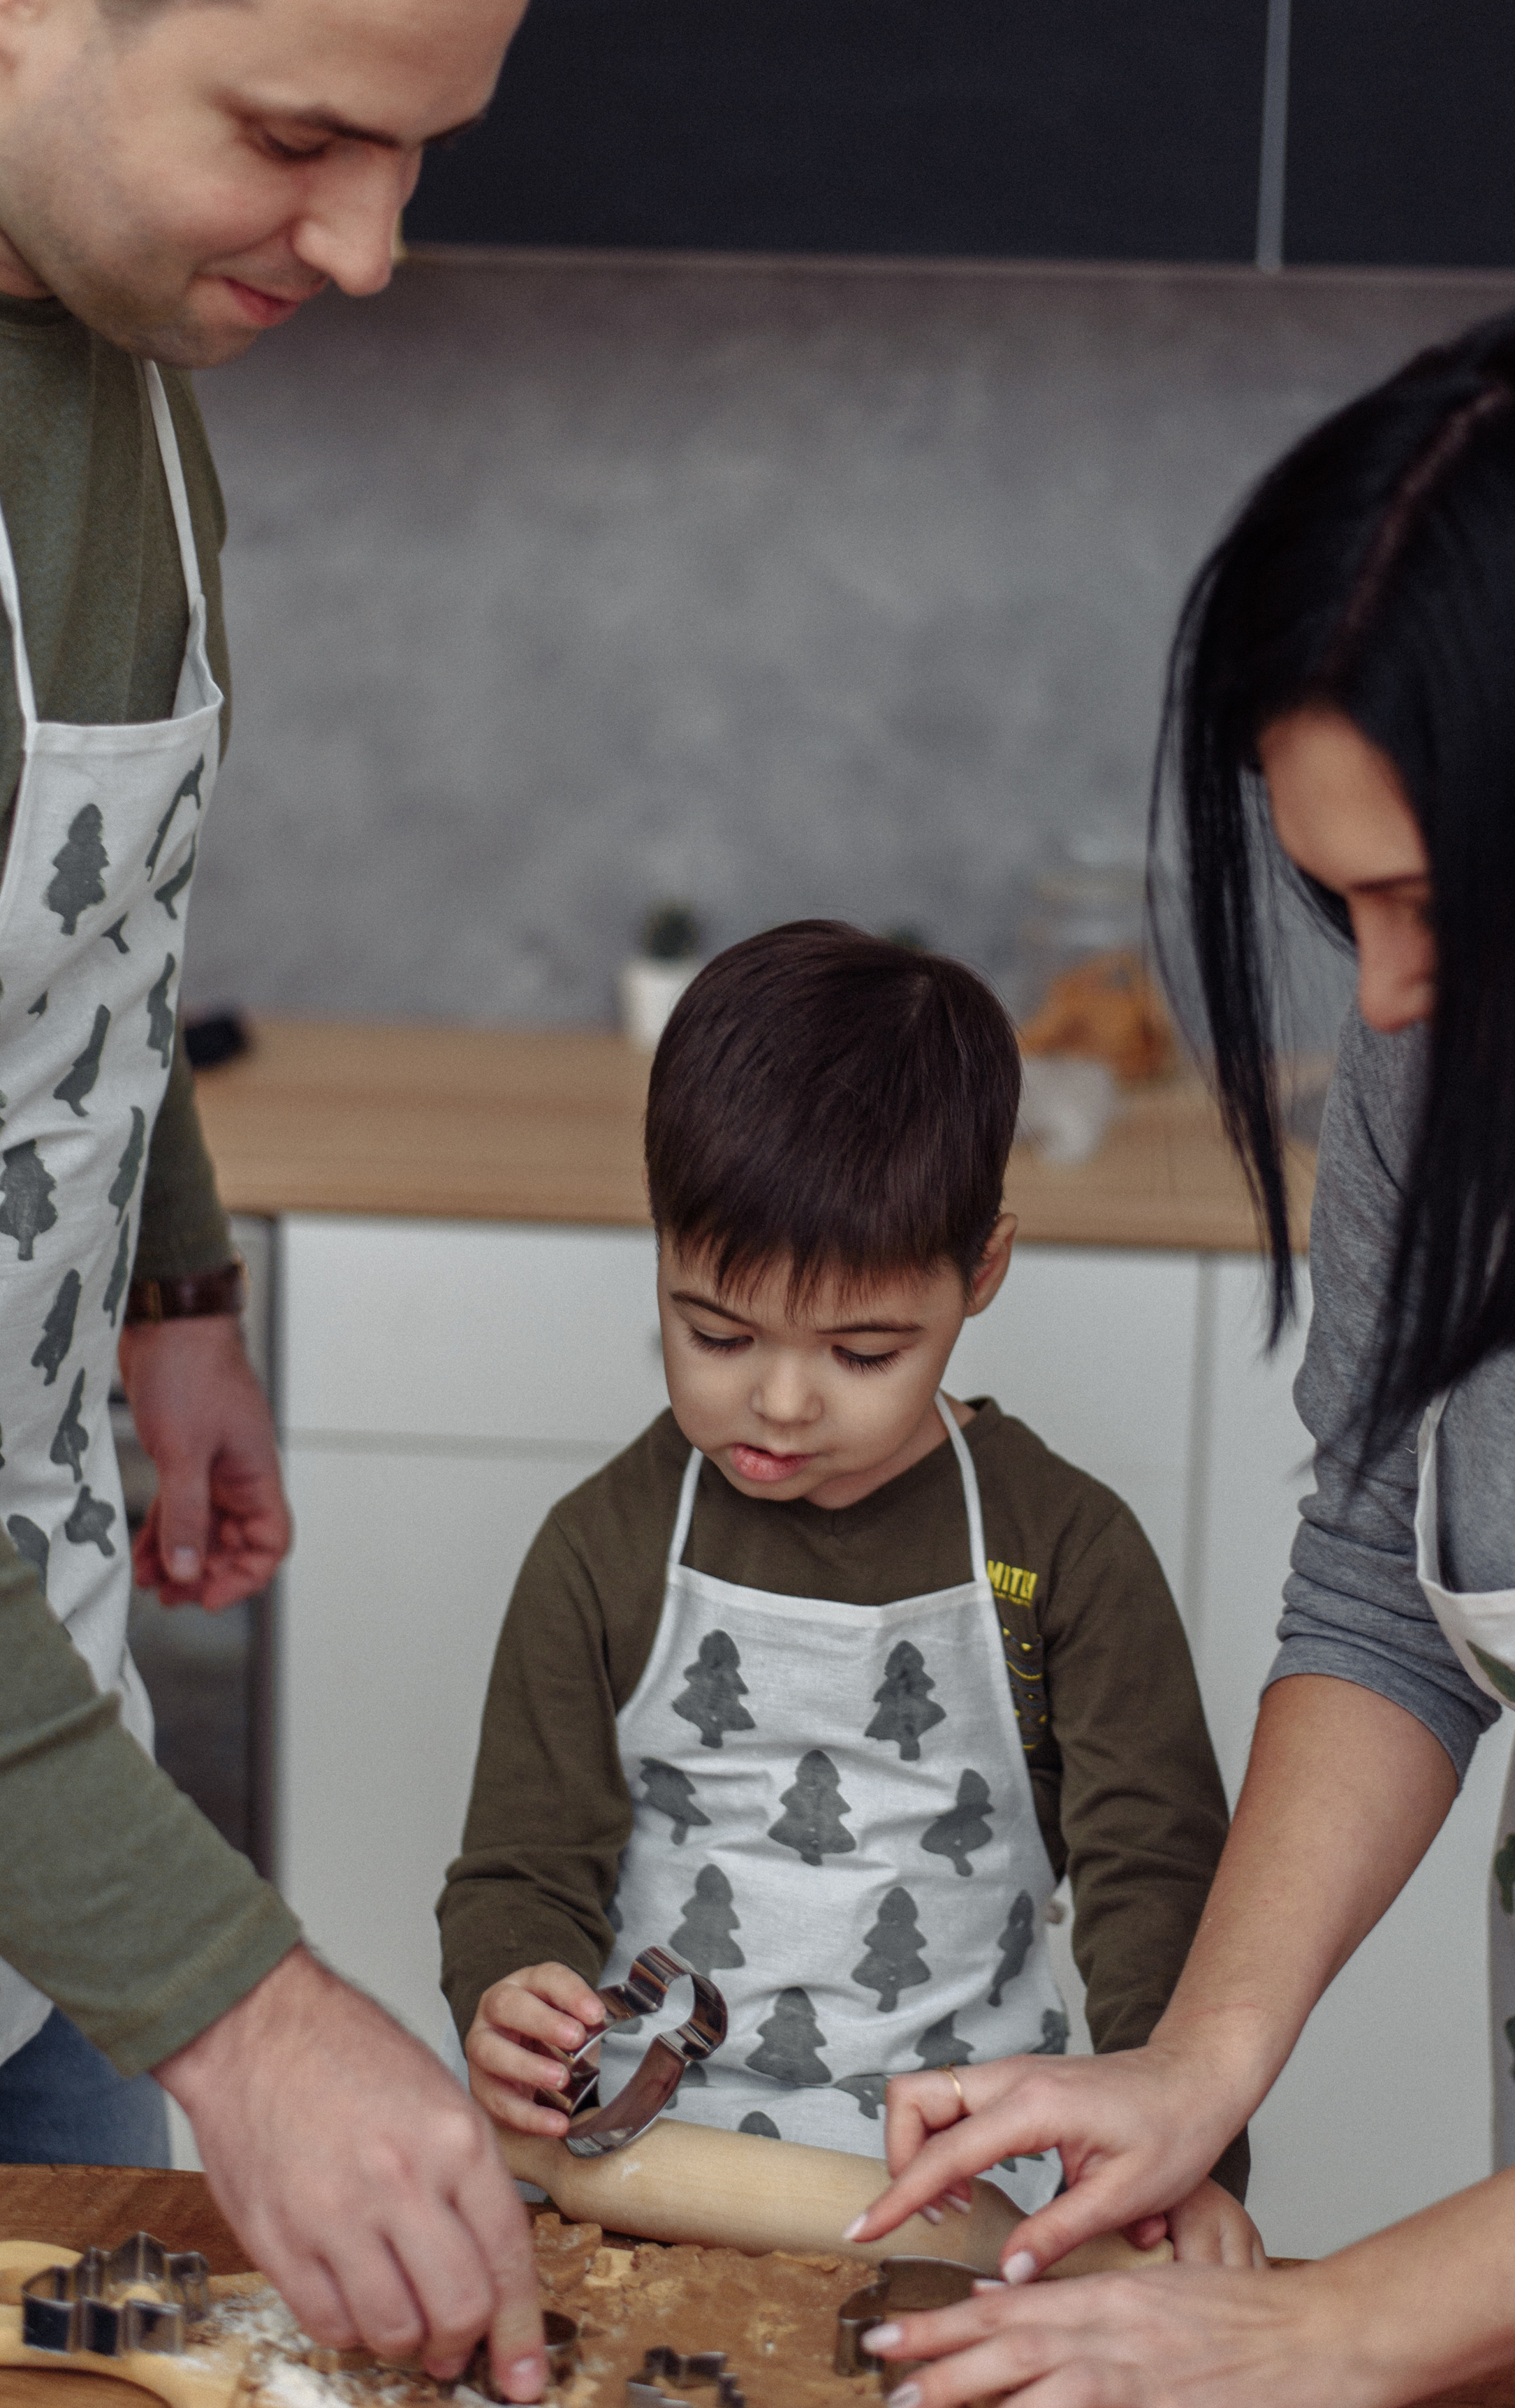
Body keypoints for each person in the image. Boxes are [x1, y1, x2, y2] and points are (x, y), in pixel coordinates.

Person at [841, 288, 1515, 2408]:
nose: (1381, 1001)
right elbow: (1385, 1580)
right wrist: (1201, 2053)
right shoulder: (1449, 1057)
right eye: (1333, 899)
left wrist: (1336, 2329)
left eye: (1439, 903)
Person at [0, 0, 549, 2398]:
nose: (368, 247)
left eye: (417, 150)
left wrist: (169, 1276)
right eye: (299, 136)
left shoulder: (118, 360)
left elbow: (77, 930)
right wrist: (245, 2010)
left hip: (40, 1777)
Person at [438, 920, 1254, 2246]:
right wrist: (510, 1991)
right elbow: (522, 1866)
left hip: (971, 2190)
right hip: (646, 2177)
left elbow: (1153, 1875)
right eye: (714, 1331)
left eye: (865, 1350)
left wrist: (1188, 2154)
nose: (778, 1399)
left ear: (979, 1272)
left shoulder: (1060, 1551)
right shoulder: (603, 1548)